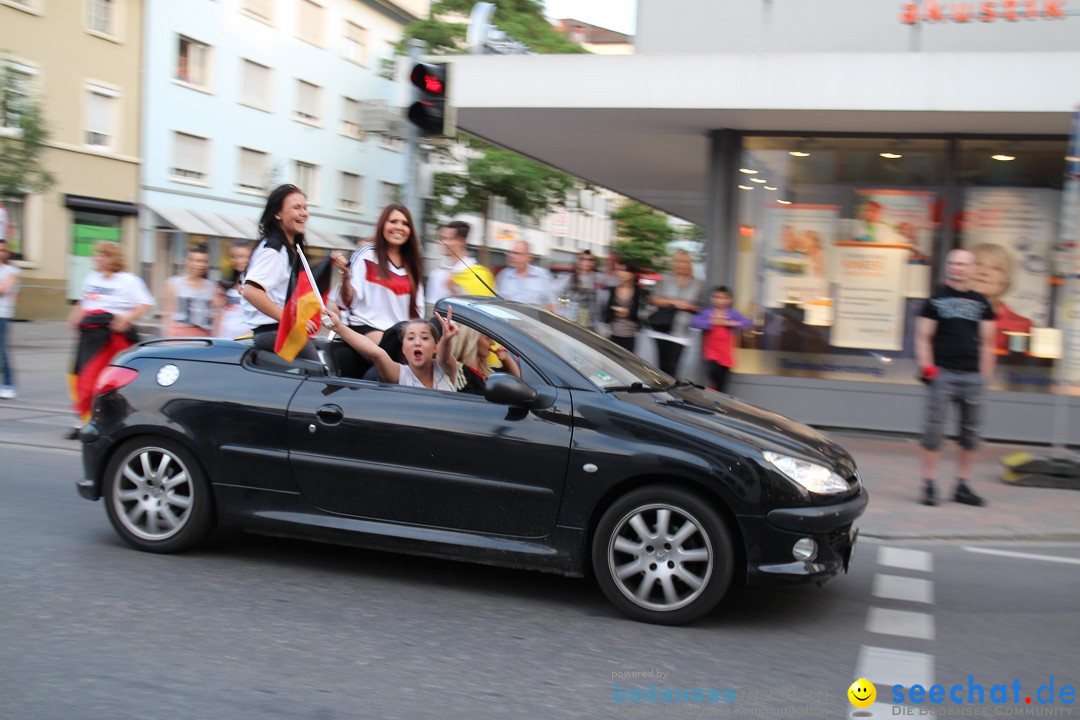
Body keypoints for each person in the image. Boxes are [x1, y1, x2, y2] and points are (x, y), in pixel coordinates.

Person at [915, 248, 996, 508]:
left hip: (972, 377)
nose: (958, 267)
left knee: (970, 434)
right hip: (943, 375)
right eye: (953, 263)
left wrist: (984, 376)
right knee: (934, 432)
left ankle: (962, 484)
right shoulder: (936, 299)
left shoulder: (982, 303)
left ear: (972, 268)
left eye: (963, 264)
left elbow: (988, 342)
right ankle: (929, 484)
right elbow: (923, 336)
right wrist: (928, 369)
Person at [67, 241, 154, 437]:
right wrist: (75, 318)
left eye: (103, 255)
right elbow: (85, 300)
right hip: (90, 335)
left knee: (110, 380)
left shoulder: (128, 280)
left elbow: (146, 304)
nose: (98, 259)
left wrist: (126, 318)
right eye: (97, 255)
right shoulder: (92, 278)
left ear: (113, 258)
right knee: (82, 378)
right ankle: (81, 421)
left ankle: (110, 421)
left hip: (113, 336)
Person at [334, 203, 425, 346]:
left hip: (401, 335)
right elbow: (346, 303)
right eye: (393, 222)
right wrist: (346, 277)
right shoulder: (366, 254)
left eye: (405, 223)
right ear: (383, 224)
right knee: (391, 353)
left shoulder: (413, 263)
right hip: (365, 328)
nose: (399, 227)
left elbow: (417, 312)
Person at [324, 308, 458, 391]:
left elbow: (444, 356)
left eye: (424, 338)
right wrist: (338, 327)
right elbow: (375, 352)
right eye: (410, 338)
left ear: (435, 347)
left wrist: (446, 338)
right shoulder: (400, 375)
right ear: (403, 349)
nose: (417, 343)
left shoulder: (444, 368)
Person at [648, 250, 703, 377]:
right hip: (661, 327)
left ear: (689, 264)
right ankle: (661, 395)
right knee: (660, 368)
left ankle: (670, 395)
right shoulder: (665, 278)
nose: (681, 264)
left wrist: (690, 307)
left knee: (672, 367)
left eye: (684, 261)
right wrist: (675, 302)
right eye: (678, 261)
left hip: (681, 331)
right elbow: (654, 299)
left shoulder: (697, 284)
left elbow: (700, 308)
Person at [970, 243, 1033, 354]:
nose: (984, 272)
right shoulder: (943, 317)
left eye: (996, 268)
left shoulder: (1023, 327)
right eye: (978, 264)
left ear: (1005, 279)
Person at [690, 286, 752, 393]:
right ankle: (713, 395)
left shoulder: (732, 314)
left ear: (730, 300)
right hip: (711, 352)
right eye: (717, 297)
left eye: (724, 298)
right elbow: (694, 323)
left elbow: (748, 323)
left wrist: (731, 323)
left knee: (722, 384)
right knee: (713, 373)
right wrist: (711, 322)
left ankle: (719, 401)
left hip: (725, 354)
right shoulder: (707, 312)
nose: (720, 300)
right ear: (712, 298)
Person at [425, 221, 495, 305]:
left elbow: (483, 310)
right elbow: (431, 307)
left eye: (447, 238)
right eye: (441, 238)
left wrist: (453, 291)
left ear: (462, 241)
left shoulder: (480, 274)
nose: (441, 242)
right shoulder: (437, 273)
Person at [449, 324, 521, 394]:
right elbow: (469, 403)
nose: (493, 343)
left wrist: (506, 359)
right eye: (487, 338)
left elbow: (516, 381)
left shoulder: (486, 369)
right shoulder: (461, 370)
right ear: (472, 340)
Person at [164, 245, 216, 337]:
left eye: (204, 261)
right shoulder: (174, 283)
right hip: (178, 336)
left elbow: (216, 317)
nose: (200, 265)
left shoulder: (212, 287)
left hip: (203, 338)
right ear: (187, 261)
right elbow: (168, 314)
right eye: (197, 261)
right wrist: (167, 338)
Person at [496, 240, 556, 311]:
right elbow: (497, 302)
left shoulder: (542, 276)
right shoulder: (504, 275)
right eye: (511, 252)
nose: (511, 256)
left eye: (517, 253)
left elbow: (553, 305)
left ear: (528, 257)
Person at [214, 239, 253, 339]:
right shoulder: (225, 286)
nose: (239, 261)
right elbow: (218, 316)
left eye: (244, 257)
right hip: (225, 339)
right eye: (234, 257)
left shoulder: (257, 284)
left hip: (247, 340)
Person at [555, 250, 603, 330]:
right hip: (570, 324)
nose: (585, 262)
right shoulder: (569, 279)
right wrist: (562, 312)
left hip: (589, 327)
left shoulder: (598, 279)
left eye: (589, 260)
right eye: (582, 259)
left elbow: (599, 306)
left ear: (593, 263)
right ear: (578, 262)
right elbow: (560, 297)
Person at [604, 260, 643, 352]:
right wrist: (623, 312)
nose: (621, 273)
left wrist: (627, 312)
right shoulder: (612, 289)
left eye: (625, 270)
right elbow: (607, 311)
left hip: (630, 335)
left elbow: (639, 314)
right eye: (619, 270)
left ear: (632, 273)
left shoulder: (639, 291)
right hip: (612, 333)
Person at [0, 238, 19, 399]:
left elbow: (3, 290)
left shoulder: (11, 271)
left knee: (2, 351)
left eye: (3, 250)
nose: (1, 253)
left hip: (2, 315)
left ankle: (8, 385)